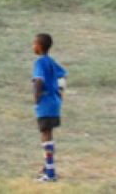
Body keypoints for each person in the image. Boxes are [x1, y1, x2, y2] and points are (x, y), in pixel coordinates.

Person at [31, 32, 66, 183]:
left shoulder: (39, 63)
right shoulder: (52, 62)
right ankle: (48, 167)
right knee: (48, 134)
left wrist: (37, 97)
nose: (33, 45)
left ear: (39, 46)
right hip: (54, 101)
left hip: (45, 102)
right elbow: (62, 76)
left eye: (34, 43)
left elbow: (39, 80)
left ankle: (50, 173)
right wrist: (60, 94)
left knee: (46, 135)